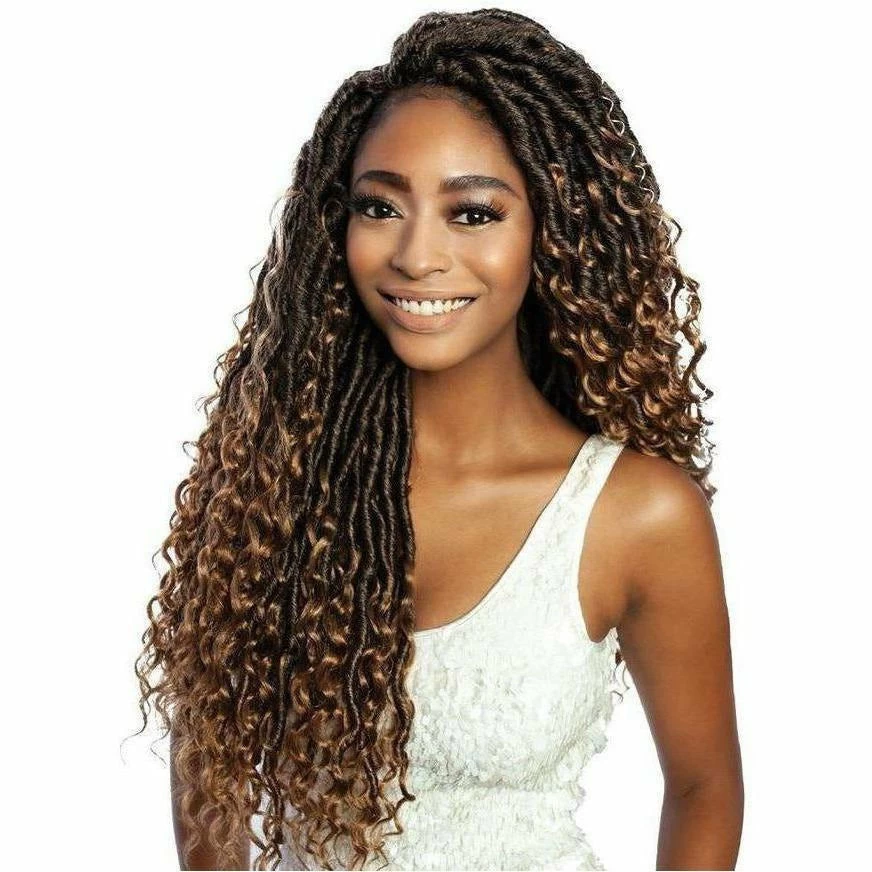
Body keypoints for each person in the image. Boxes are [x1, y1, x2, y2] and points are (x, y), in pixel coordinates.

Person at [134, 9, 743, 870]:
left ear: (553, 231)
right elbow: (209, 769)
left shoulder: (637, 513)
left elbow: (703, 788)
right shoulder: (276, 485)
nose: (417, 255)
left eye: (474, 213)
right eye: (380, 206)